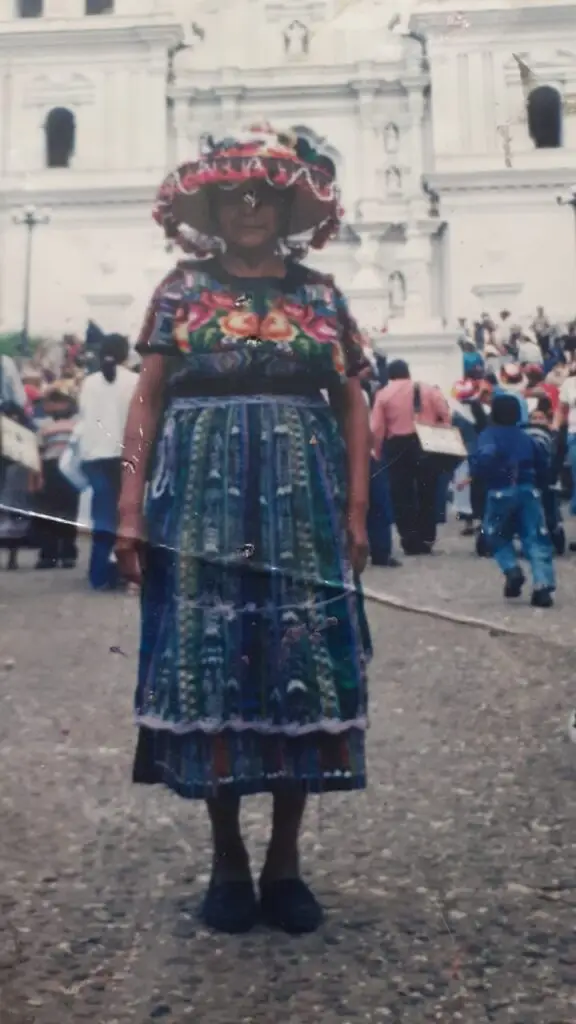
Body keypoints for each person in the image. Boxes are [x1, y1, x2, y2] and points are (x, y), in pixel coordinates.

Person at [115, 123, 372, 935]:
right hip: (199, 510)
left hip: (302, 513)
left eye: (264, 195)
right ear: (215, 208)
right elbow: (148, 398)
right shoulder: (179, 291)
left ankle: (285, 863)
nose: (250, 208)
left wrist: (359, 510)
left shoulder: (323, 296)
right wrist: (127, 508)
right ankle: (227, 859)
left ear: (289, 206)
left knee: (297, 665)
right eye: (234, 195)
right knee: (213, 671)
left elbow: (353, 403)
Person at [470, 393, 555, 607]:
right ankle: (542, 585)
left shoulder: (489, 435)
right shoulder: (526, 437)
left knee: (496, 535)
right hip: (528, 491)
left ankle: (511, 569)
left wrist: (479, 472)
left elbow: (485, 456)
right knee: (535, 538)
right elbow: (543, 465)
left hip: (500, 490)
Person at [370, 359, 451, 555]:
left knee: (401, 493)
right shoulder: (428, 390)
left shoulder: (383, 394)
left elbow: (377, 428)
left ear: (389, 375)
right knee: (427, 490)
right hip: (426, 443)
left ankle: (408, 537)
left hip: (397, 445)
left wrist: (377, 452)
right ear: (408, 373)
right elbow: (445, 414)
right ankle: (427, 535)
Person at [77, 334, 137, 589]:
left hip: (92, 454)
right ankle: (121, 571)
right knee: (123, 515)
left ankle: (99, 573)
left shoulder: (89, 382)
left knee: (101, 514)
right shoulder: (133, 381)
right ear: (126, 354)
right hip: (120, 453)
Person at [35, 384, 80, 569]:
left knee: (65, 513)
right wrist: (38, 476)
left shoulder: (78, 425)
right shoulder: (44, 427)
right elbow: (38, 453)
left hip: (66, 470)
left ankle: (63, 554)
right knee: (51, 513)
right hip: (52, 469)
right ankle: (52, 554)